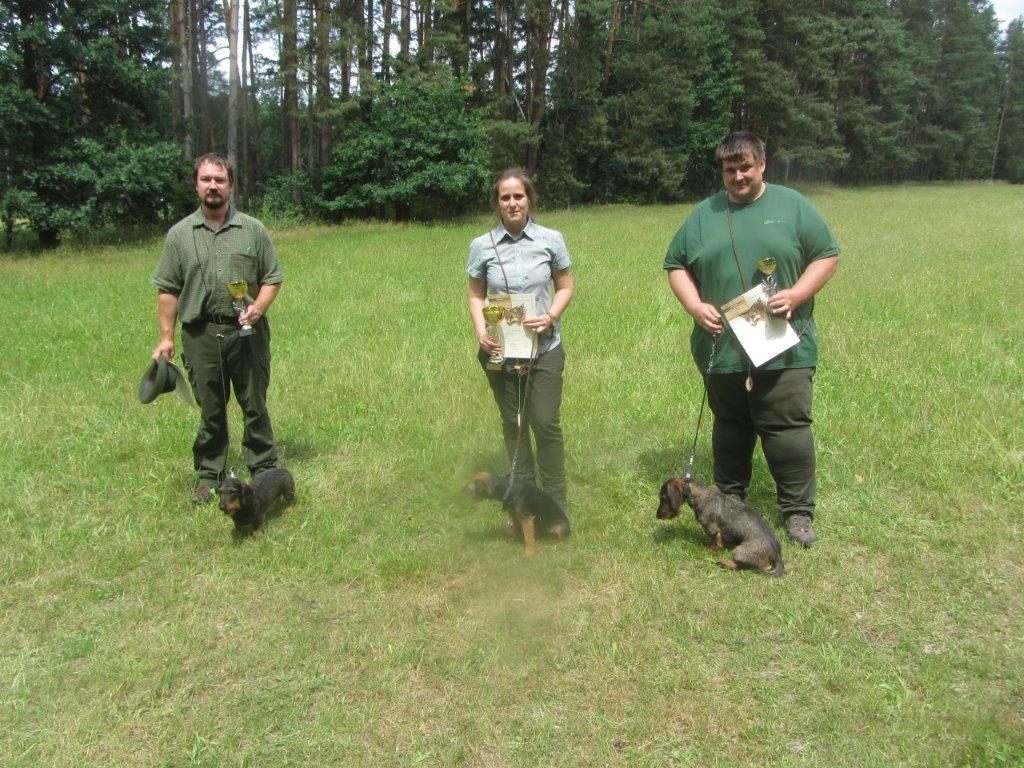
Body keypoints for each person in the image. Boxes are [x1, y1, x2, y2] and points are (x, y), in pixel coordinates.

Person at [664, 132, 839, 547]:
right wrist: (694, 306)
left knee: (786, 426)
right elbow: (675, 264)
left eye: (745, 166)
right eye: (730, 169)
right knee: (730, 426)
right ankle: (729, 498)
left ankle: (797, 511)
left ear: (762, 165)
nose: (738, 175)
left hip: (783, 342)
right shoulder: (704, 214)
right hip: (722, 345)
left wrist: (797, 294)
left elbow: (827, 254)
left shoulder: (792, 205)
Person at [151, 153, 284, 504]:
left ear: (231, 186)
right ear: (196, 184)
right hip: (201, 334)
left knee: (254, 402)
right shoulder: (179, 235)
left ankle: (264, 465)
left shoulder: (253, 230)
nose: (213, 186)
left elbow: (272, 278)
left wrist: (258, 307)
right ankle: (209, 474)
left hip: (247, 332)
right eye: (206, 179)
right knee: (211, 407)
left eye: (220, 180)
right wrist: (165, 338)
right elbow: (167, 289)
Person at [467, 169, 574, 513]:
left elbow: (566, 286)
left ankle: (555, 503)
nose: (512, 203)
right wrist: (481, 331)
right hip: (500, 352)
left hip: (544, 350)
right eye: (505, 197)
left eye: (518, 196)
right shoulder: (482, 246)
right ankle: (523, 499)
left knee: (543, 422)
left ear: (529, 199)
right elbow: (475, 295)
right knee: (513, 424)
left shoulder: (551, 239)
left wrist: (551, 315)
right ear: (497, 203)